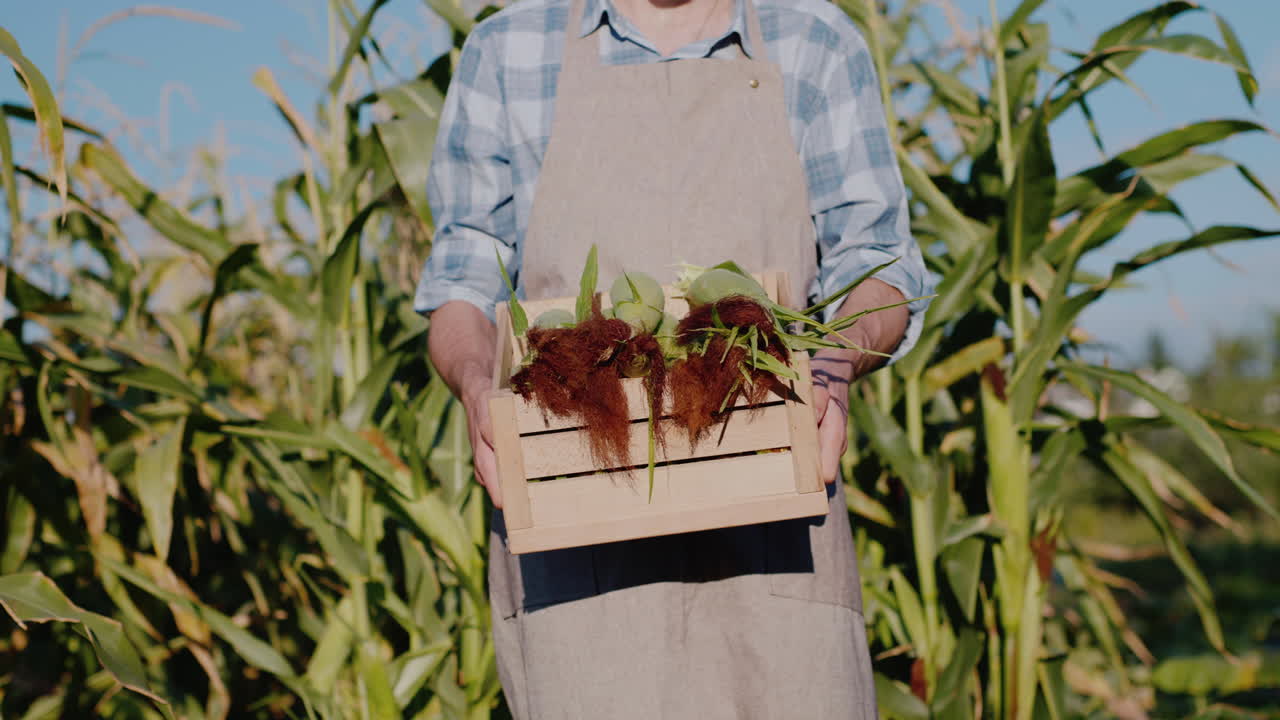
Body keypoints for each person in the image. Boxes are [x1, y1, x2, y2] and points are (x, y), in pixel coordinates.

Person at [415, 0, 930, 713]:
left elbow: (879, 266)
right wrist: (479, 387)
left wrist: (835, 368)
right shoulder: (510, 49)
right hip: (578, 527)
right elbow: (461, 284)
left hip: (775, 527)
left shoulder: (814, 41)